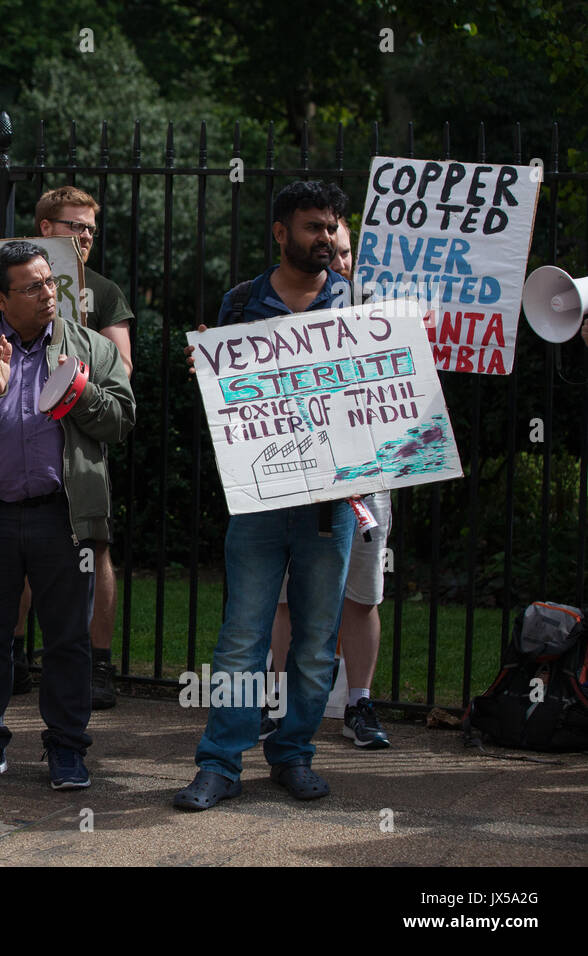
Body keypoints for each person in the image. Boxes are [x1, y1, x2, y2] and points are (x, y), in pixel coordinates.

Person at [0, 240, 135, 790]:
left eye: (50, 282)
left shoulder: (89, 347)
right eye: (32, 287)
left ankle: (67, 749)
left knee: (68, 641)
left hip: (63, 517)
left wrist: (79, 391)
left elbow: (121, 421)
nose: (48, 295)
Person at [176, 181, 355, 811]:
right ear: (280, 233)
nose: (325, 238)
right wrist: (210, 369)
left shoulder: (363, 305)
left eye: (332, 226)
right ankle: (220, 763)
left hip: (332, 505)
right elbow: (224, 405)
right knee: (241, 638)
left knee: (313, 643)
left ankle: (293, 755)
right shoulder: (242, 303)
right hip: (259, 497)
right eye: (312, 227)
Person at [265, 218, 392, 749]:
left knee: (362, 594)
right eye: (330, 252)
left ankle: (358, 703)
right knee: (288, 598)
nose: (337, 262)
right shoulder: (284, 309)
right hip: (300, 469)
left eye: (344, 254)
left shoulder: (379, 316)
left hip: (367, 472)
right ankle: (278, 704)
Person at [22, 186, 135, 708]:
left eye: (90, 227)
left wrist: (71, 375)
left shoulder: (104, 290)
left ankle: (97, 667)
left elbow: (124, 369)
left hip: (80, 440)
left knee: (94, 546)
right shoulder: (7, 279)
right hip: (13, 439)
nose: (85, 235)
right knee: (13, 545)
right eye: (74, 226)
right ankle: (15, 659)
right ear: (45, 227)